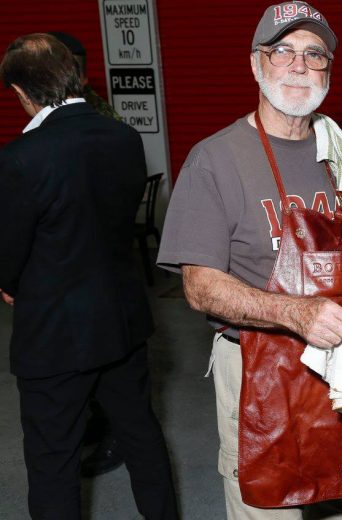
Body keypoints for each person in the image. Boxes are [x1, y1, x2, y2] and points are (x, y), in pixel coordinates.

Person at [157, 2, 342, 518]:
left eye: (314, 54)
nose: (299, 65)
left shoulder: (336, 149)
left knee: (341, 494)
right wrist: (296, 313)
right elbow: (200, 286)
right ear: (257, 64)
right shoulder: (217, 158)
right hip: (260, 364)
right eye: (283, 52)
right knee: (268, 500)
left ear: (328, 70)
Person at [0, 33, 178, 519]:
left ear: (20, 92)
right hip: (120, 320)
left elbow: (8, 252)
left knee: (52, 459)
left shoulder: (20, 158)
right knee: (141, 434)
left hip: (56, 336)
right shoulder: (123, 137)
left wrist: (12, 284)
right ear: (75, 75)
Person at [50, 30, 126, 479]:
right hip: (75, 250)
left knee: (111, 351)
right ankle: (97, 422)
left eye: (77, 63)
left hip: (99, 247)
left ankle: (115, 432)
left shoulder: (91, 106)